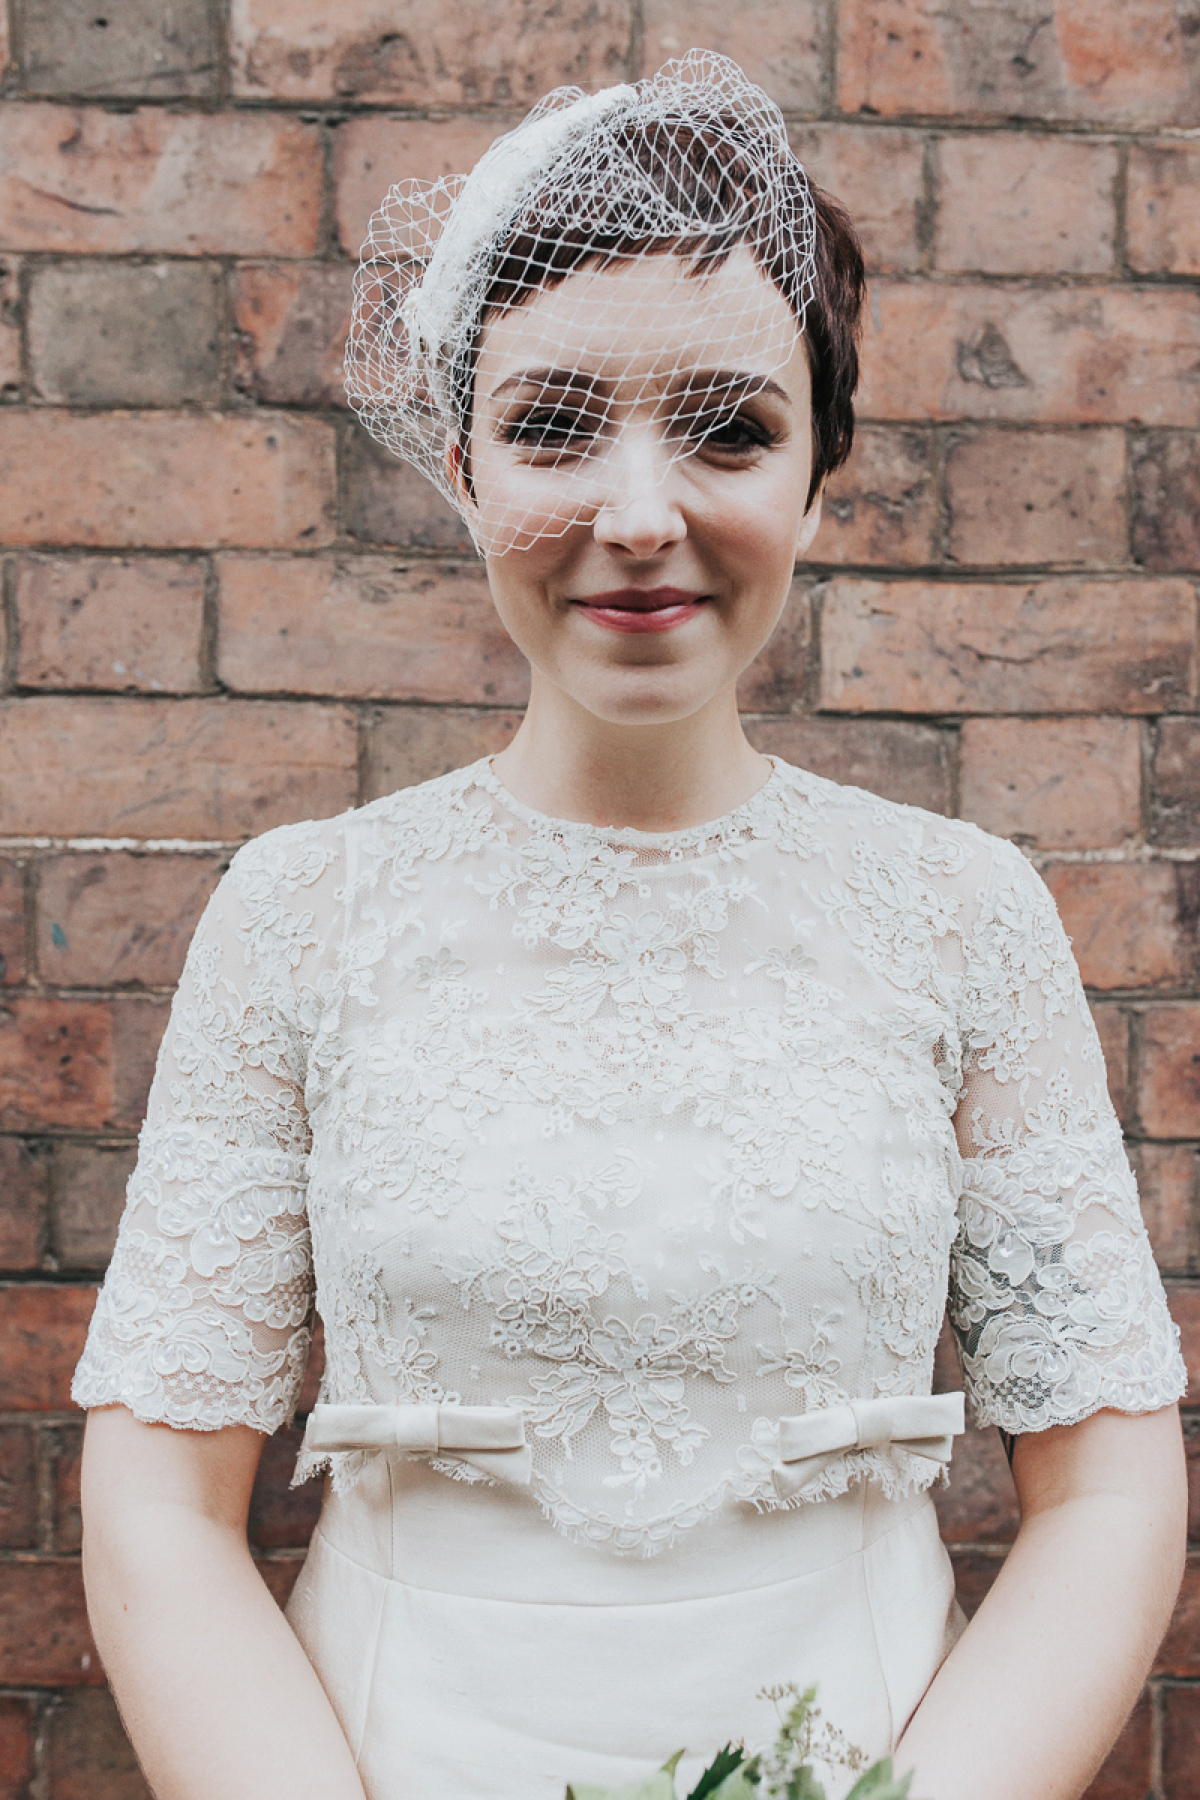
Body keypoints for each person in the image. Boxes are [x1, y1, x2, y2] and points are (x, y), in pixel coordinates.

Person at [73, 50, 1187, 1800]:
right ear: (461, 463)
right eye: (554, 424)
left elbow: (1113, 1488)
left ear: (824, 476)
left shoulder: (963, 919)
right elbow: (158, 1503)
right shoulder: (301, 915)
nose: (642, 514)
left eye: (731, 427)